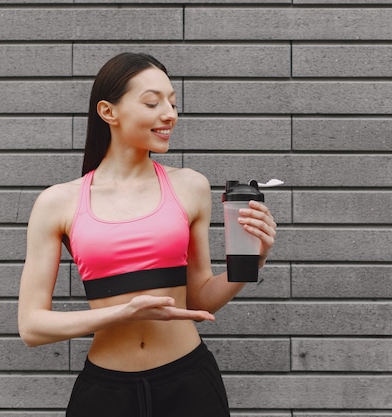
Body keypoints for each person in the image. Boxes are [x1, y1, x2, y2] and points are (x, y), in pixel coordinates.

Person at [17, 52, 277, 417]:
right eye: (153, 103)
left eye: (172, 102)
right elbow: (32, 327)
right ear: (109, 112)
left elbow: (198, 301)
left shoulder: (190, 186)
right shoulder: (58, 202)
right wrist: (120, 314)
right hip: (105, 393)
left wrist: (254, 257)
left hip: (189, 384)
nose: (169, 113)